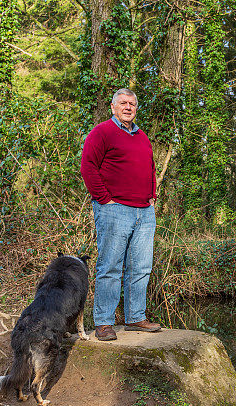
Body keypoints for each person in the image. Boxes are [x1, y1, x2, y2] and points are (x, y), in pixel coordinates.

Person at [80, 88, 161, 340]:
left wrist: (151, 196)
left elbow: (150, 167)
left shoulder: (142, 137)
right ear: (113, 107)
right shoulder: (102, 132)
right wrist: (105, 199)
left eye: (132, 104)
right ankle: (104, 322)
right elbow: (88, 166)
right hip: (114, 210)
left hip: (144, 212)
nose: (128, 107)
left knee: (141, 267)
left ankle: (136, 317)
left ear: (136, 109)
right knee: (110, 267)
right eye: (123, 103)